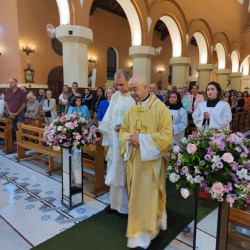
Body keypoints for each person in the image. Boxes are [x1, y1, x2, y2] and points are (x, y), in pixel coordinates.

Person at [119, 75, 173, 249]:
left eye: (135, 89)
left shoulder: (160, 108)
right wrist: (129, 138)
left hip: (151, 165)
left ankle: (150, 232)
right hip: (134, 162)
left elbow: (166, 136)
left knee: (149, 198)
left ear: (146, 88)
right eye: (130, 89)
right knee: (135, 198)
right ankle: (137, 234)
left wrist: (141, 140)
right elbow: (125, 130)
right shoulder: (132, 109)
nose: (132, 93)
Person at [98, 69, 134, 215]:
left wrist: (126, 129)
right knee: (113, 170)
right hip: (115, 141)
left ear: (129, 81)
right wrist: (106, 134)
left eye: (122, 84)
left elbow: (139, 122)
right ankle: (113, 204)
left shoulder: (135, 97)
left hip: (128, 143)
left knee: (124, 173)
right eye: (117, 85)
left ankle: (125, 207)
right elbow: (109, 117)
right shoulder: (115, 97)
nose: (119, 88)